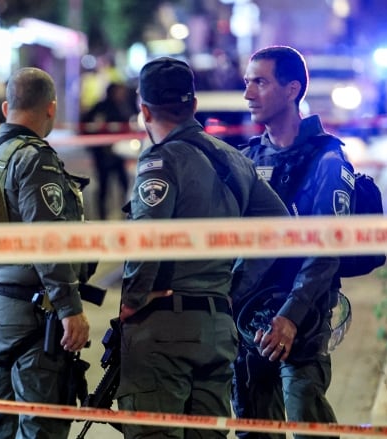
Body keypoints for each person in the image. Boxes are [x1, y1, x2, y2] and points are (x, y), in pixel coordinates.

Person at [116, 57, 288, 439]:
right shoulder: (233, 159)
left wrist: (131, 301)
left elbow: (148, 239)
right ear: (194, 105)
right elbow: (280, 226)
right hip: (216, 330)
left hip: (164, 328)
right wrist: (234, 287)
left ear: (144, 110)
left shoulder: (159, 161)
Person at [0, 67, 91, 439]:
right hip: (31, 317)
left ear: (5, 107)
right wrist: (69, 307)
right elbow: (45, 238)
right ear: (51, 109)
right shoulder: (35, 159)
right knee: (40, 425)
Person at [232, 45, 351, 439]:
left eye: (260, 82)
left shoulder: (327, 159)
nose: (248, 93)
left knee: (308, 426)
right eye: (247, 82)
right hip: (248, 325)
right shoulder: (245, 158)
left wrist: (289, 316)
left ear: (291, 89)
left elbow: (326, 251)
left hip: (301, 324)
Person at [80, 82, 136, 220]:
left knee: (124, 184)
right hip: (102, 154)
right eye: (118, 91)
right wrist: (93, 144)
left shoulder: (124, 106)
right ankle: (102, 216)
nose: (121, 95)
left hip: (119, 154)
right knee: (104, 187)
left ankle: (127, 213)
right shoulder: (101, 107)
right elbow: (85, 123)